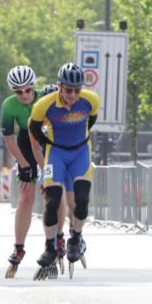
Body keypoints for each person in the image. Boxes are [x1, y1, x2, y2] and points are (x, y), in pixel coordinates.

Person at [28, 62, 100, 280]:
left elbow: (91, 120)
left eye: (77, 90)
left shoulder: (90, 100)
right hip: (56, 154)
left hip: (80, 153)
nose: (72, 95)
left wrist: (77, 138)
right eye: (68, 90)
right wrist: (48, 143)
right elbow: (33, 128)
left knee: (81, 199)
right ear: (60, 86)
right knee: (52, 201)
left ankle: (76, 238)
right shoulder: (44, 105)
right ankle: (50, 247)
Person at [1, 66, 65, 277]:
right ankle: (18, 248)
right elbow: (9, 140)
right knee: (26, 195)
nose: (25, 95)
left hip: (47, 145)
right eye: (18, 92)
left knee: (52, 194)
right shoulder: (9, 106)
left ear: (34, 87)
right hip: (25, 146)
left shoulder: (44, 99)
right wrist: (23, 164)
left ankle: (56, 239)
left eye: (28, 90)